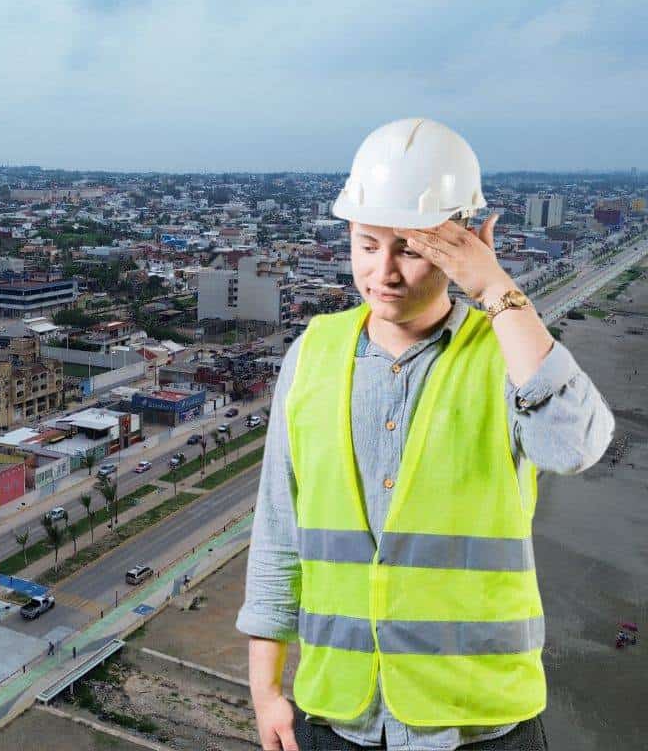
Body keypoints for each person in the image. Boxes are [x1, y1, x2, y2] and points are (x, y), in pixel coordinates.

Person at [236, 118, 615, 751]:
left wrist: (496, 288)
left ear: (461, 242)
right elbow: (279, 530)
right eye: (366, 244)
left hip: (477, 723)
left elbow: (577, 447)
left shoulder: (507, 355)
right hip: (339, 717)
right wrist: (267, 690)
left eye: (410, 249)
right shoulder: (313, 355)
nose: (384, 272)